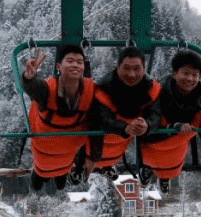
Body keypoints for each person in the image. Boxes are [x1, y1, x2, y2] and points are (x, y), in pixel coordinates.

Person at [140, 50, 201, 191]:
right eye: (185, 73)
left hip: (176, 150)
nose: (190, 79)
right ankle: (148, 170)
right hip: (156, 144)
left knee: (172, 166)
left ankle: (164, 177)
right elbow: (148, 130)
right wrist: (174, 127)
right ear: (174, 74)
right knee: (152, 159)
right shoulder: (159, 95)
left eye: (195, 75)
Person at [21, 45, 97, 190]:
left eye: (79, 62)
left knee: (60, 181)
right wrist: (29, 77)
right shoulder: (48, 90)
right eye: (70, 61)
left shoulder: (89, 92)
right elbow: (35, 88)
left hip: (67, 154)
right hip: (45, 152)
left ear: (83, 67)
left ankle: (56, 176)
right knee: (39, 180)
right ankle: (42, 176)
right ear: (59, 66)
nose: (75, 65)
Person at [90, 47, 161, 174]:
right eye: (126, 68)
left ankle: (108, 167)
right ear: (118, 68)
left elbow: (155, 114)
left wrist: (147, 126)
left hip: (119, 149)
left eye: (136, 69)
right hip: (96, 148)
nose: (131, 74)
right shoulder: (103, 89)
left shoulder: (151, 90)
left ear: (144, 69)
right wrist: (125, 128)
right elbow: (102, 119)